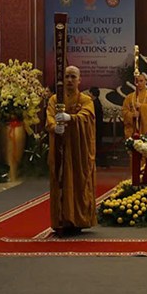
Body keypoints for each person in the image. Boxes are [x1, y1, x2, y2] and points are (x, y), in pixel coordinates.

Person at [46, 66, 96, 236]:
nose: (69, 80)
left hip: (78, 150)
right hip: (60, 148)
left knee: (78, 181)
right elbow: (50, 118)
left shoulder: (85, 100)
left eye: (73, 77)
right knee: (60, 180)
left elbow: (87, 117)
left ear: (79, 80)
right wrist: (54, 127)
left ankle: (79, 220)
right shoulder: (54, 100)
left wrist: (71, 118)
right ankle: (61, 220)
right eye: (66, 76)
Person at [122, 74, 147, 138]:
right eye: (137, 81)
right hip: (133, 130)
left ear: (146, 81)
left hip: (146, 130)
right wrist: (132, 115)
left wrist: (142, 107)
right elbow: (124, 111)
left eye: (141, 81)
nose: (139, 83)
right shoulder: (129, 97)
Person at [88, 87, 104, 166]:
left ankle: (101, 161)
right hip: (98, 127)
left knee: (97, 145)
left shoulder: (94, 104)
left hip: (96, 127)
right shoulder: (97, 102)